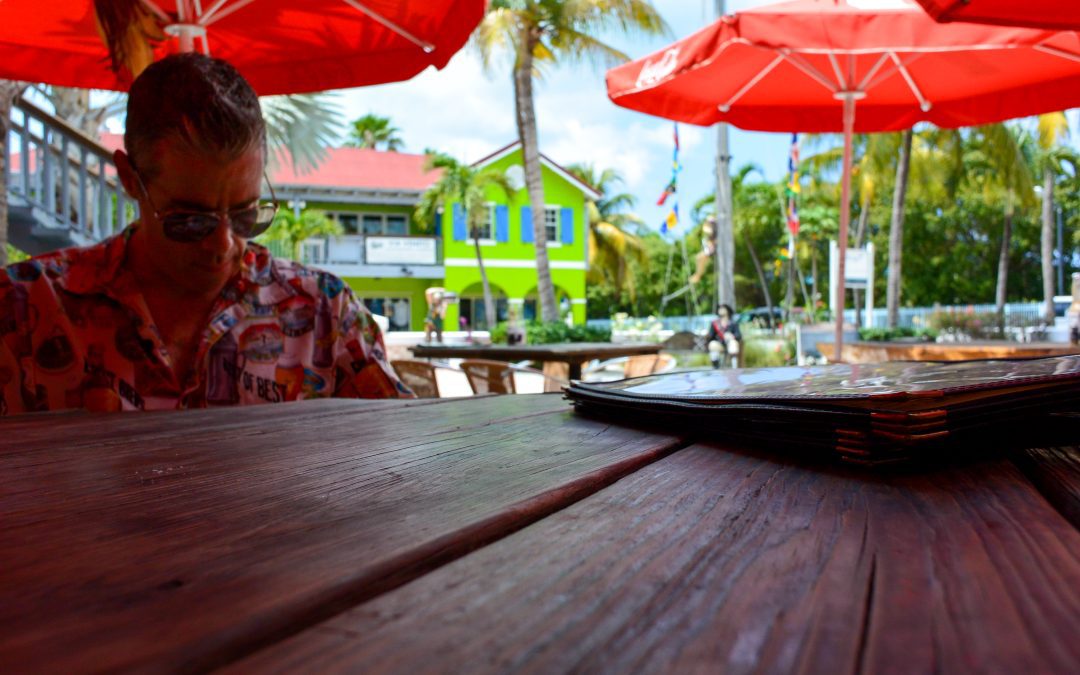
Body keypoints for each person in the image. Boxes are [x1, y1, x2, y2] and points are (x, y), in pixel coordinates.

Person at [0, 53, 412, 415]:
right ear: (129, 179)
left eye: (245, 214)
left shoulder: (325, 314)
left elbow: (405, 447)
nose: (223, 245)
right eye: (190, 219)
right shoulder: (22, 312)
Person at [705, 304, 741, 369]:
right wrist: (707, 335)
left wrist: (732, 336)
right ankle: (716, 367)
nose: (720, 310)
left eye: (723, 308)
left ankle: (734, 367)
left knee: (733, 344)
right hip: (720, 345)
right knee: (712, 344)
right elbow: (711, 336)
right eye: (720, 308)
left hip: (730, 344)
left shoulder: (733, 323)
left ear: (727, 311)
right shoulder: (714, 323)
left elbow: (739, 335)